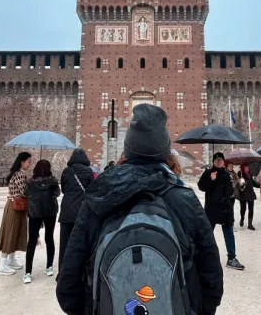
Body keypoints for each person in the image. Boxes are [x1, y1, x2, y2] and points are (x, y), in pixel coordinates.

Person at [56, 104, 223, 315]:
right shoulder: (184, 198)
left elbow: (67, 285)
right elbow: (212, 279)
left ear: (128, 148)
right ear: (164, 149)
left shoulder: (99, 196)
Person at [199, 152, 246, 269]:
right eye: (217, 160)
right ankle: (203, 257)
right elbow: (201, 187)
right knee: (207, 234)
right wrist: (211, 179)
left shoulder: (227, 174)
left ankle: (231, 258)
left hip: (226, 209)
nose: (219, 162)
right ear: (213, 161)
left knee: (229, 233)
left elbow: (230, 189)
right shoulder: (208, 173)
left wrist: (240, 185)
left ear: (223, 161)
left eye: (221, 160)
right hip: (212, 209)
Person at [23, 160, 60, 284]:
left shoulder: (30, 182)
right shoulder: (53, 181)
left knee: (32, 241)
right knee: (49, 238)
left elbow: (25, 193)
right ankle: (49, 267)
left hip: (34, 213)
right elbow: (57, 193)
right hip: (50, 213)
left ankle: (28, 273)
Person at [0, 152, 32, 276]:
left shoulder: (17, 174)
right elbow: (24, 192)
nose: (30, 164)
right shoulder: (20, 175)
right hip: (15, 206)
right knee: (10, 232)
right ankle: (2, 265)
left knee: (15, 231)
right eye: (29, 161)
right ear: (22, 161)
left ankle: (11, 259)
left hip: (16, 206)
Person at [57, 148, 92, 277]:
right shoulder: (88, 171)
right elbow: (91, 189)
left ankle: (62, 272)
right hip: (81, 212)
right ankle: (79, 271)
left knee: (64, 243)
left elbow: (64, 189)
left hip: (66, 212)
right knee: (80, 242)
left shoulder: (67, 171)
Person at [237, 163, 257, 230]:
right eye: (246, 168)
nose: (247, 169)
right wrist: (241, 182)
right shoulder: (240, 174)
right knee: (243, 208)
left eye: (248, 168)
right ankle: (242, 218)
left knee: (251, 209)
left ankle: (250, 224)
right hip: (243, 194)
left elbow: (253, 183)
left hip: (251, 194)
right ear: (243, 168)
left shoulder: (250, 175)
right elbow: (238, 185)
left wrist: (260, 185)